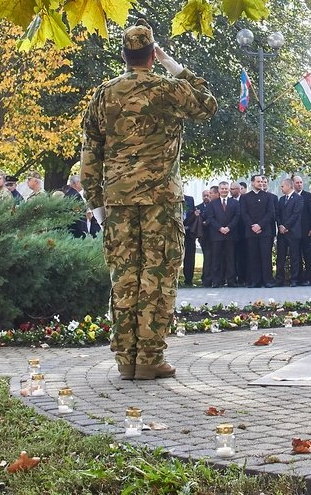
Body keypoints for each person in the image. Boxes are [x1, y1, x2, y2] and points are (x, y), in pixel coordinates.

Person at [80, 21, 216, 380]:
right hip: (160, 201)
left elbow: (90, 152)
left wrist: (96, 203)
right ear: (151, 56)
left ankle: (126, 360)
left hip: (117, 201)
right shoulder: (167, 90)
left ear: (124, 55)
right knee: (157, 278)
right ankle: (150, 359)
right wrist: (174, 65)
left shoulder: (104, 95)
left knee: (124, 277)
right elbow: (207, 105)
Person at [240, 174, 276, 287]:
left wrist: (260, 225)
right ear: (252, 183)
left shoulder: (268, 196)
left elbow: (270, 213)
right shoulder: (245, 197)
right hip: (251, 231)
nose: (261, 183)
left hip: (265, 231)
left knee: (266, 256)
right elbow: (243, 213)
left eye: (262, 182)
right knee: (253, 256)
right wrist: (252, 226)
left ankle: (267, 280)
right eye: (258, 182)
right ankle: (254, 280)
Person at [204, 183, 241, 287]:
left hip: (231, 234)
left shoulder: (234, 203)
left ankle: (231, 280)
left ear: (228, 189)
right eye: (222, 188)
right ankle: (216, 281)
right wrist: (220, 228)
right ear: (219, 190)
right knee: (216, 259)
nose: (224, 190)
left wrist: (228, 228)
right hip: (216, 235)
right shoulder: (212, 203)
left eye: (226, 188)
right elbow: (211, 218)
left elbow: (237, 216)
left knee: (230, 258)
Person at [275, 177, 304, 286]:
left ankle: (294, 279)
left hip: (293, 232)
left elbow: (296, 214)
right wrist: (280, 225)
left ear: (288, 186)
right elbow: (277, 214)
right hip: (282, 233)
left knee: (294, 257)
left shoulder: (298, 198)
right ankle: (279, 279)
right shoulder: (281, 199)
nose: (281, 188)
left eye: (282, 186)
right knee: (280, 256)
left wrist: (286, 226)